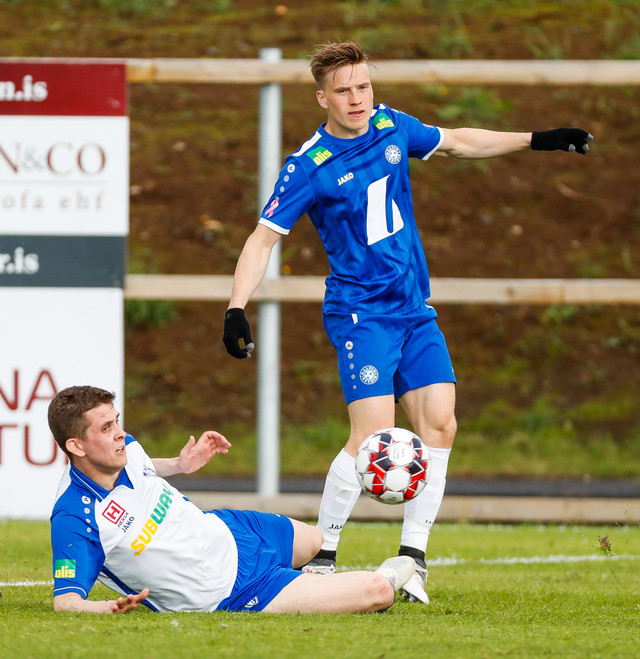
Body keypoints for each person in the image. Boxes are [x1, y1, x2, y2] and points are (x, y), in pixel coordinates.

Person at [222, 41, 593, 604]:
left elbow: (459, 141)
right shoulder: (309, 166)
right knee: (371, 438)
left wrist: (537, 138)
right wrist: (235, 307)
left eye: (363, 87)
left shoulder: (391, 125)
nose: (357, 99)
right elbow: (262, 239)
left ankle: (412, 559)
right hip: (361, 315)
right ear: (322, 98)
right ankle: (321, 559)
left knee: (440, 425)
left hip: (414, 309)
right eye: (343, 91)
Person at [48, 385, 417, 614]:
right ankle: (310, 586)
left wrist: (180, 464)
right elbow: (66, 602)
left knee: (316, 540)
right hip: (230, 591)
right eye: (106, 427)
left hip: (230, 531)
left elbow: (144, 465)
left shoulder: (124, 447)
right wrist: (105, 608)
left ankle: (305, 584)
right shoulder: (74, 517)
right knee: (377, 591)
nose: (121, 433)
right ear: (76, 446)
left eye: (117, 421)